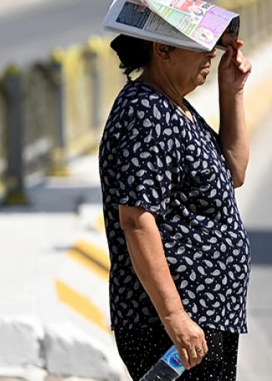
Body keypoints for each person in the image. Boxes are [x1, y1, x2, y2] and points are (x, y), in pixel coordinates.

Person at [98, 31, 252, 381]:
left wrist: (233, 90)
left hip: (205, 317)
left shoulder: (173, 106)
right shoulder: (145, 111)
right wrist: (175, 317)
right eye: (200, 45)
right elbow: (136, 220)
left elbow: (235, 172)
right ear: (162, 49)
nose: (212, 53)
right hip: (169, 326)